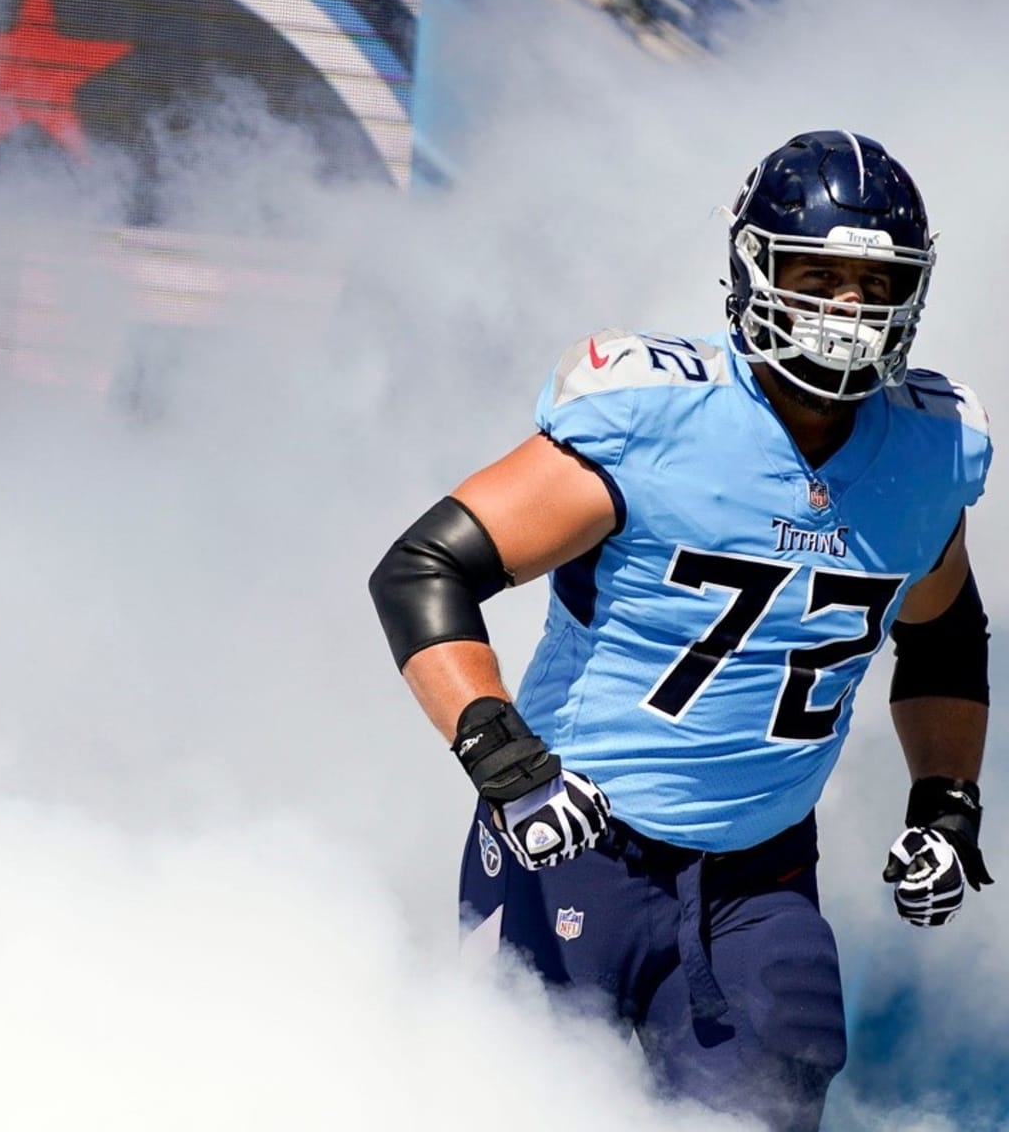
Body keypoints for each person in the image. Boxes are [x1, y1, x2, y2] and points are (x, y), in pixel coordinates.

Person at [369, 130, 993, 1131]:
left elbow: (946, 635)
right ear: (753, 271)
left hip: (761, 874)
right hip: (570, 839)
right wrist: (507, 763)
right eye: (815, 274)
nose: (843, 309)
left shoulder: (930, 452)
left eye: (871, 284)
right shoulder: (654, 417)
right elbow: (423, 571)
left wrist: (947, 804)